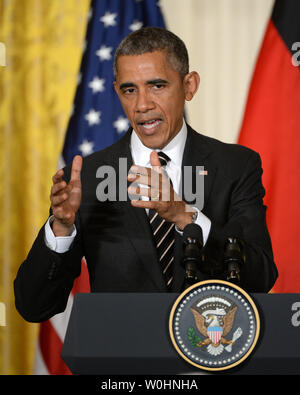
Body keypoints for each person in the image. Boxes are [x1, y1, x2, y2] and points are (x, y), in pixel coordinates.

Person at [14, 27, 278, 323]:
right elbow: (33, 306)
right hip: (122, 362)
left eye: (157, 86)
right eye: (130, 90)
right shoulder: (87, 178)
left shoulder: (236, 166)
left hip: (208, 355)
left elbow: (260, 277)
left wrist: (184, 216)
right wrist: (61, 230)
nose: (142, 105)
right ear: (117, 92)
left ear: (189, 85)